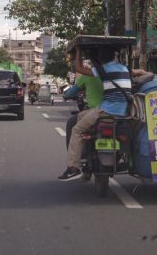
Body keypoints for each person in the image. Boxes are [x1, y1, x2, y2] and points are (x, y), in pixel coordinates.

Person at [58, 45, 151, 181]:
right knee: (80, 116)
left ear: (100, 59)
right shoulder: (125, 69)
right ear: (114, 56)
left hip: (106, 110)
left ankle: (73, 168)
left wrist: (78, 51)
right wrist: (143, 72)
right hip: (124, 112)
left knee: (77, 130)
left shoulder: (102, 70)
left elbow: (78, 69)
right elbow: (142, 72)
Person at [62, 58, 104, 149]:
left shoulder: (87, 75)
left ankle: (73, 159)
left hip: (95, 111)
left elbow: (71, 92)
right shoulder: (115, 73)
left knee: (72, 124)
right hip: (117, 112)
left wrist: (66, 95)